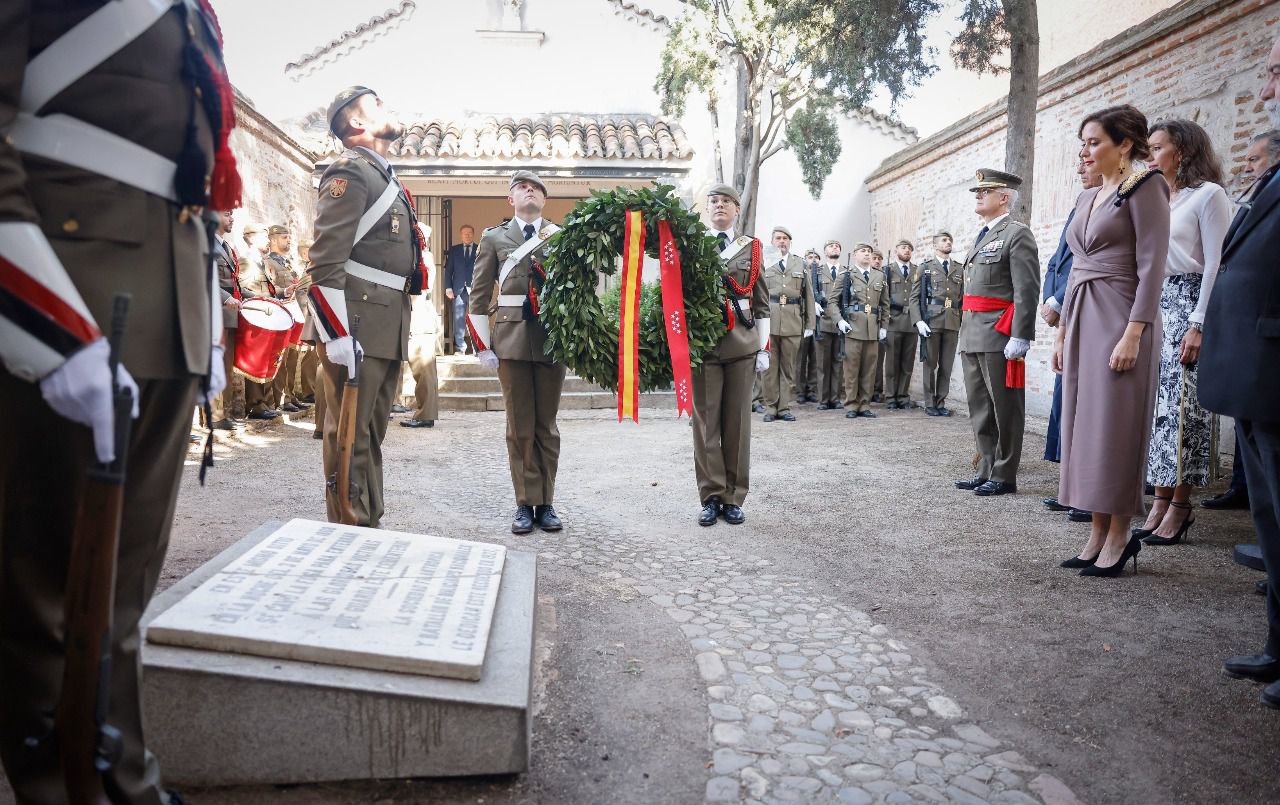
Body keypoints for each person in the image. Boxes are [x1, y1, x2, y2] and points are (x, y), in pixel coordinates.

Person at [0, 3, 235, 801]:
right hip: (66, 291)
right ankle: (56, 783)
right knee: (44, 590)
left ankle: (124, 774)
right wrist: (47, 327)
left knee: (121, 588)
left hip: (163, 304)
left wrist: (202, 324)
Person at [1199, 34, 1280, 709]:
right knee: (1272, 520)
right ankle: (1279, 646)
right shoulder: (1269, 183)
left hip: (1275, 371)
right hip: (1257, 377)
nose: (1269, 83)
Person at [1054, 104, 1170, 577]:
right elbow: (1075, 266)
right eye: (1082, 142)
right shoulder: (1087, 198)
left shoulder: (1145, 187)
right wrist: (1061, 332)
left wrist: (1135, 333)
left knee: (1114, 427)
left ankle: (1120, 535)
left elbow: (1153, 266)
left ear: (1124, 145)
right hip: (1082, 317)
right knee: (1085, 427)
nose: (1085, 151)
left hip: (1123, 318)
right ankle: (1096, 532)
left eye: (1094, 141)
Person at [308, 86, 422, 528]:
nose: (388, 107)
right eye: (377, 103)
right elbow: (326, 260)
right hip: (353, 322)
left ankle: (368, 522)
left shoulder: (384, 177)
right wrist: (335, 333)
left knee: (370, 435)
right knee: (350, 435)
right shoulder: (350, 173)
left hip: (382, 322)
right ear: (356, 122)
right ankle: (350, 529)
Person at [1131, 119, 1231, 546]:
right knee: (1157, 409)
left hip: (1189, 302)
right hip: (1155, 304)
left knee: (1183, 408)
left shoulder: (1209, 195)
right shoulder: (1155, 198)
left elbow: (1215, 264)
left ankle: (1180, 505)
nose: (1149, 156)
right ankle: (1158, 499)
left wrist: (1199, 322)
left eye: (1156, 148)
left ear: (1183, 151)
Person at [468, 171, 566, 534]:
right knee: (519, 426)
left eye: (537, 188)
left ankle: (548, 502)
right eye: (523, 187)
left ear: (544, 199)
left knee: (547, 427)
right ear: (511, 198)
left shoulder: (561, 237)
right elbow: (478, 295)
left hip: (551, 339)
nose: (530, 191)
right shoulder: (494, 238)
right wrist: (482, 346)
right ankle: (526, 503)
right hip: (510, 340)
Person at [1203, 129, 1279, 511]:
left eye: (1255, 159)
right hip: (1243, 333)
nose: (1247, 167)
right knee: (1250, 432)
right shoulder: (1257, 195)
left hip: (1265, 333)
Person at [955, 170, 1040, 496]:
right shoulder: (982, 235)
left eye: (985, 191)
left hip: (999, 333)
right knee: (980, 406)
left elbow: (1027, 289)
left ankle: (1004, 474)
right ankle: (986, 466)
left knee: (1005, 406)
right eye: (977, 191)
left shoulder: (1017, 234)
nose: (978, 195)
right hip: (972, 331)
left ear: (1004, 197)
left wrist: (1021, 335)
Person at [693, 184, 770, 526]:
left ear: (737, 210)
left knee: (737, 423)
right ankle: (711, 496)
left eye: (726, 201)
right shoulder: (693, 246)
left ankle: (734, 497)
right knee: (706, 423)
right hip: (704, 344)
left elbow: (762, 302)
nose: (719, 205)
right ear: (707, 209)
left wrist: (763, 347)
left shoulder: (751, 248)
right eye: (714, 201)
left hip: (741, 342)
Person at [1040, 162, 1100, 523]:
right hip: (1067, 309)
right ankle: (1071, 487)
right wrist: (1051, 298)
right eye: (1078, 158)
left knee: (1089, 403)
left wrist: (1058, 300)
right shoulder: (1080, 203)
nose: (1080, 167)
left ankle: (1089, 492)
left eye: (1090, 159)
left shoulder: (1111, 202)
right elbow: (1055, 262)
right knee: (1067, 398)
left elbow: (1087, 260)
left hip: (1088, 305)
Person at [760, 225, 814, 422]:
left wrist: (810, 324)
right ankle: (770, 407)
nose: (781, 241)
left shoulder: (800, 264)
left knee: (788, 367)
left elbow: (808, 295)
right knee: (769, 367)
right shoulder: (764, 262)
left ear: (790, 242)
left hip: (793, 319)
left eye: (785, 238)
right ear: (772, 241)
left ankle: (784, 407)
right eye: (778, 238)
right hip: (769, 319)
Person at [829, 243, 888, 418]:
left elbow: (885, 304)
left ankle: (865, 404)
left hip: (872, 329)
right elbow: (832, 302)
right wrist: (839, 321)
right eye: (863, 251)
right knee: (852, 369)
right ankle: (851, 405)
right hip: (853, 327)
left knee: (869, 369)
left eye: (869, 252)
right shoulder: (846, 276)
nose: (867, 254)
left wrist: (884, 326)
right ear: (855, 255)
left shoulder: (879, 276)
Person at [910, 232, 963, 416]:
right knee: (930, 364)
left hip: (952, 321)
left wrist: (962, 321)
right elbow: (914, 298)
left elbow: (962, 298)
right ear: (935, 246)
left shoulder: (959, 268)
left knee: (946, 365)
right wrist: (918, 321)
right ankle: (929, 403)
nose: (948, 242)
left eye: (950, 240)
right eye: (944, 240)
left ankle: (941, 402)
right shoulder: (925, 268)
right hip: (932, 321)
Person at [237, 222, 281, 419]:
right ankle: (254, 404)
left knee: (268, 360)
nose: (268, 240)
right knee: (256, 361)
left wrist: (281, 293)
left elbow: (269, 289)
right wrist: (263, 300)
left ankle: (263, 402)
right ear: (251, 238)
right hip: (256, 315)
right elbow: (243, 289)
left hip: (267, 314)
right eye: (264, 236)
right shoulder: (246, 261)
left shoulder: (262, 262)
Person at [264, 225, 309, 414]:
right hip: (280, 316)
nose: (288, 240)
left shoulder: (287, 263)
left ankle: (290, 395)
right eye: (284, 237)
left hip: (293, 315)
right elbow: (271, 288)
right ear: (273, 239)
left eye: (289, 237)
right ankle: (279, 398)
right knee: (280, 360)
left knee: (292, 359)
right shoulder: (269, 262)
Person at [403, 222, 440, 429]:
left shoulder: (422, 258)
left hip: (418, 315)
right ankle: (424, 412)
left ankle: (425, 414)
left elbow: (418, 292)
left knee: (423, 368)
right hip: (417, 313)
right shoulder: (422, 256)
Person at [883, 239, 918, 409]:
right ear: (896, 250)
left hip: (911, 321)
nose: (907, 250)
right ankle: (890, 396)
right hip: (893, 320)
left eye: (909, 249)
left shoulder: (917, 271)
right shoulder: (887, 270)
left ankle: (903, 396)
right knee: (891, 362)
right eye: (903, 248)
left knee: (907, 362)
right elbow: (883, 296)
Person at [815, 240, 845, 410]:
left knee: (838, 362)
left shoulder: (846, 272)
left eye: (837, 246)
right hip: (824, 321)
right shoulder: (818, 272)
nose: (835, 248)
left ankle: (835, 398)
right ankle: (823, 399)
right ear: (825, 251)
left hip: (840, 321)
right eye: (831, 246)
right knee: (822, 363)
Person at [794, 247, 823, 403]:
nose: (813, 260)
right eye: (810, 257)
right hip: (803, 319)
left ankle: (811, 389)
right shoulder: (801, 274)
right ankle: (799, 390)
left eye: (816, 257)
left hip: (820, 321)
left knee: (815, 357)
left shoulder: (822, 275)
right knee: (801, 358)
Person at [444, 224, 478, 353]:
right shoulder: (454, 250)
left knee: (476, 318)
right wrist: (448, 288)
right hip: (458, 290)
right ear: (461, 235)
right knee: (459, 319)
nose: (467, 235)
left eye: (469, 233)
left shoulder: (479, 249)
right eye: (465, 233)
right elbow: (448, 271)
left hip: (475, 289)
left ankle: (477, 347)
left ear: (473, 234)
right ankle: (460, 347)